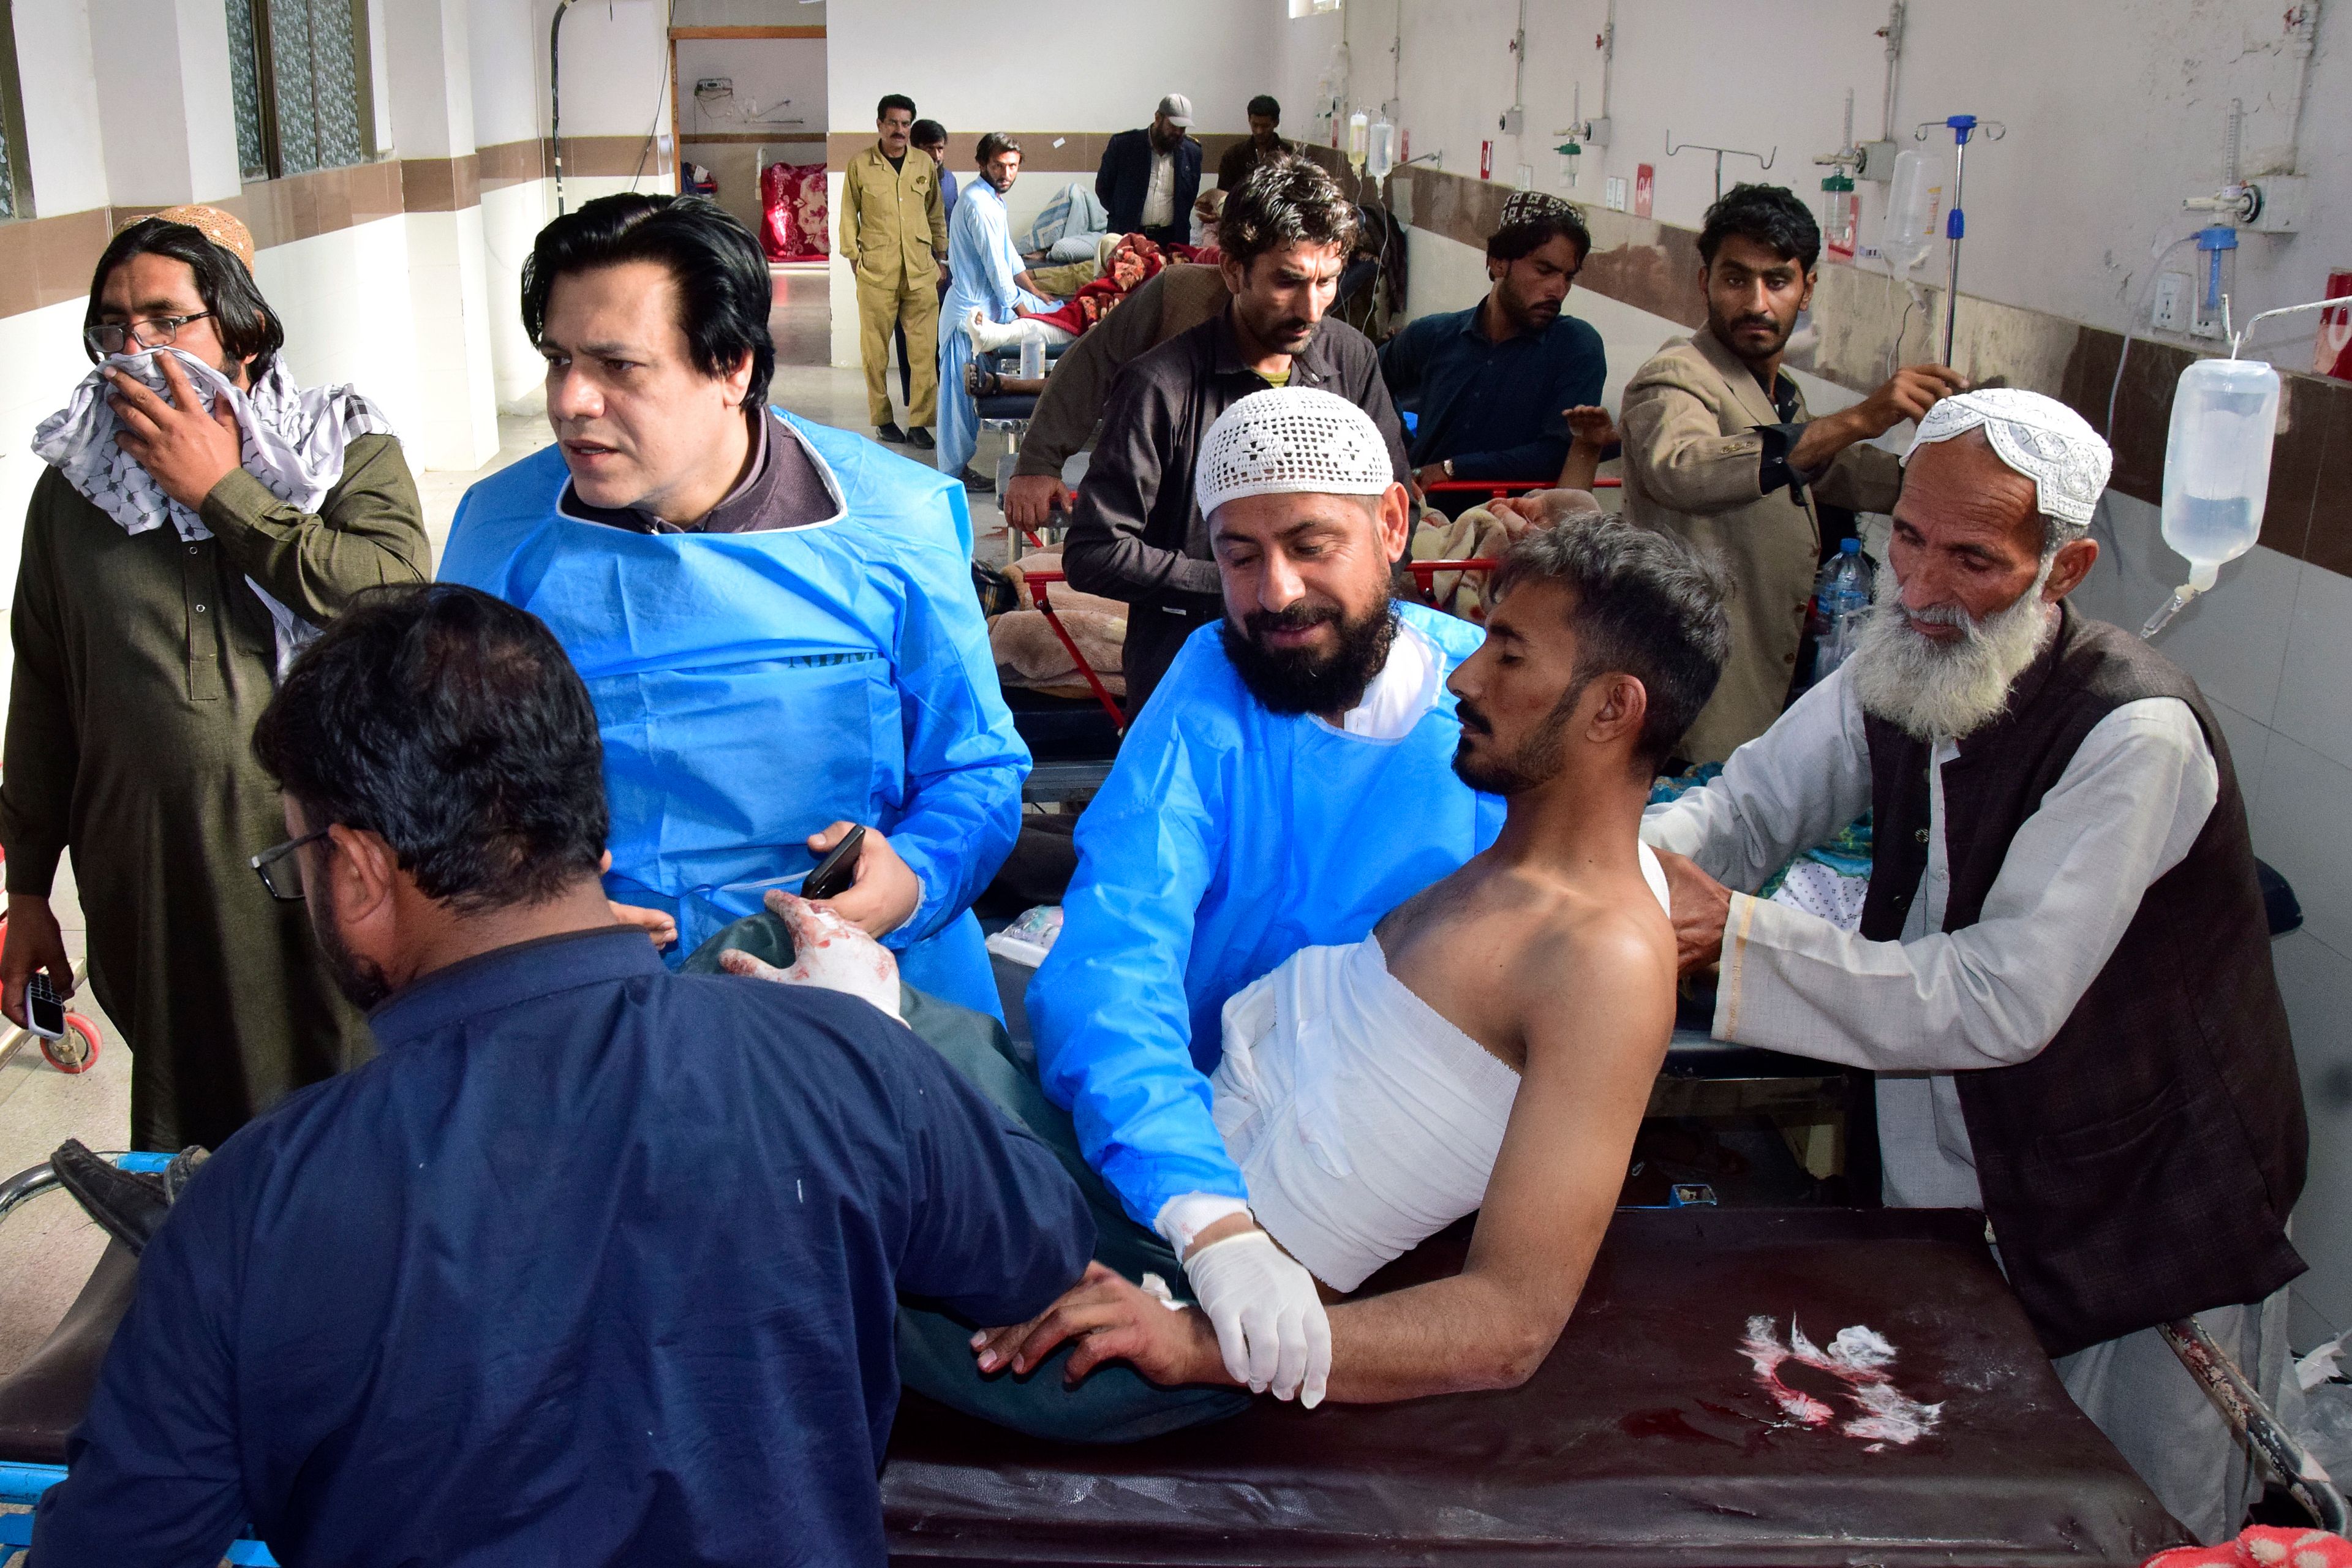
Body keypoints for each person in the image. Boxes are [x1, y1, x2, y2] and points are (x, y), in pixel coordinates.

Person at [29, 583, 1092, 1566]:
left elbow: (114, 1547)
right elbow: (1034, 1249)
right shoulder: (842, 1062)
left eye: (295, 859)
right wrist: (885, 1034)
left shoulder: (255, 1209)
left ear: (355, 873)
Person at [1640, 389, 2307, 1542]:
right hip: (1960, 1167)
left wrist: (1730, 935)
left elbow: (2002, 997)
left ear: (2066, 567)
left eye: (1973, 559)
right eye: (1907, 537)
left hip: (2137, 1201)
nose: (1925, 584)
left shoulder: (2132, 732)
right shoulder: (1899, 654)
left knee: (2135, 1519)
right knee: (1969, 1489)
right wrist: (1611, 872)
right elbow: (1747, 809)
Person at [967, 511, 1727, 1416]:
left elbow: (1511, 1324)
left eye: (1510, 657)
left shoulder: (1598, 959)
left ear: (1613, 708)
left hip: (1172, 1314)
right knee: (838, 1016)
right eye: (1482, 639)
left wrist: (1194, 1347)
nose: (1464, 675)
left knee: (831, 1102)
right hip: (1154, 1212)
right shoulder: (1503, 863)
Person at [1024, 388, 1501, 1415]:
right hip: (1197, 1140)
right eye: (1239, 555)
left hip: (1409, 1191)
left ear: (1391, 524)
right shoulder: (1212, 687)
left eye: (1310, 544)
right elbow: (1115, 962)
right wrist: (1210, 1219)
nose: (1274, 592)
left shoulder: (1491, 712)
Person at [441, 194, 1025, 1019]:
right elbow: (443, 778)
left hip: (863, 975)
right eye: (558, 359)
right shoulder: (501, 536)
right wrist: (523, 912)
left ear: (734, 369)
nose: (572, 400)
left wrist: (916, 878)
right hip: (603, 989)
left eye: (617, 366)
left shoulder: (892, 522)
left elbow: (977, 765)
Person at [0, 209, 429, 1153]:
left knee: (361, 1115)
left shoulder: (337, 446)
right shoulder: (74, 492)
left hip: (334, 859)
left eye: (166, 319)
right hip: (154, 879)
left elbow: (392, 597)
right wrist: (28, 891)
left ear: (240, 329)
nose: (134, 347)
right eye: (111, 326)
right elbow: (43, 696)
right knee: (193, 1140)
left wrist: (220, 492)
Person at [1619, 183, 1966, 763]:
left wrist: (1950, 478)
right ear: (1706, 283)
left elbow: (1826, 468)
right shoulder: (1677, 376)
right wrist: (1860, 417)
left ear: (1806, 288)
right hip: (1689, 687)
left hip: (1757, 673)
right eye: (1736, 279)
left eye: (1777, 281)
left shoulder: (1780, 394)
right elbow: (1683, 470)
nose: (1757, 303)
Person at [1060, 159, 1408, 712]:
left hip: (1329, 678)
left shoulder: (1351, 360)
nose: (1311, 308)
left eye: (1327, 281)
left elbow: (1391, 519)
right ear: (1232, 271)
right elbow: (1095, 552)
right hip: (1196, 684)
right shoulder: (1162, 387)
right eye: (1287, 281)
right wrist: (1239, 581)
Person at [1378, 190, 1607, 515]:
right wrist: (1398, 448)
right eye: (1544, 270)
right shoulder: (1435, 336)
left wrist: (1454, 468)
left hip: (1514, 532)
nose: (1558, 290)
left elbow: (1557, 451)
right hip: (1423, 522)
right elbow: (1369, 379)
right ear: (1498, 262)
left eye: (1568, 277)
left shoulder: (1575, 348)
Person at [1000, 260, 1233, 534]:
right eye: (1285, 280)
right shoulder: (1184, 293)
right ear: (1235, 269)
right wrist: (1038, 462)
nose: (1297, 303)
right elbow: (1091, 363)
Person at [937, 132, 1052, 492]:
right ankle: (953, 474)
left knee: (973, 391)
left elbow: (1010, 256)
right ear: (982, 163)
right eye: (998, 166)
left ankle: (958, 468)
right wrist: (1024, 314)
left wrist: (1035, 294)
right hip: (967, 319)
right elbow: (996, 270)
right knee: (958, 401)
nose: (1006, 173)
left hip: (985, 316)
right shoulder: (977, 204)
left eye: (1013, 166)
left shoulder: (993, 200)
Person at [840, 92, 946, 448]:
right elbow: (847, 213)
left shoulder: (924, 164)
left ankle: (920, 421)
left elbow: (935, 213)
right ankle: (883, 418)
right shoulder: (860, 165)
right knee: (875, 353)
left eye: (905, 124)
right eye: (893, 123)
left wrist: (941, 257)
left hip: (920, 271)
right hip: (877, 273)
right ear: (880, 125)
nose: (899, 130)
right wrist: (853, 256)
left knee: (923, 353)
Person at [1097, 93, 1202, 249]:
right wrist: (1123, 214)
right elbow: (1103, 189)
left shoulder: (1192, 153)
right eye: (1173, 126)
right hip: (1128, 237)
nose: (1178, 133)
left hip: (1172, 242)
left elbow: (1188, 197)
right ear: (1158, 118)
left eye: (1183, 128)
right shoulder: (1124, 146)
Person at [1215, 94, 1294, 194]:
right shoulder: (1233, 156)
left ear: (1276, 123)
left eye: (1265, 126)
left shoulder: (1289, 155)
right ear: (1249, 120)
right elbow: (1223, 194)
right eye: (1255, 125)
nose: (1259, 131)